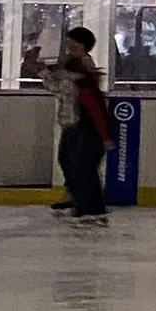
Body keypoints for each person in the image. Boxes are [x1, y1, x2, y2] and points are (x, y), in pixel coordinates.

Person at [54, 24, 112, 226]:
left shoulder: (82, 68)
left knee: (80, 165)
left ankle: (88, 203)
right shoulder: (71, 65)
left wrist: (105, 134)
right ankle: (80, 198)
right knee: (70, 161)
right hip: (72, 120)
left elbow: (88, 100)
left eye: (73, 41)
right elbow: (60, 87)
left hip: (81, 122)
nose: (69, 45)